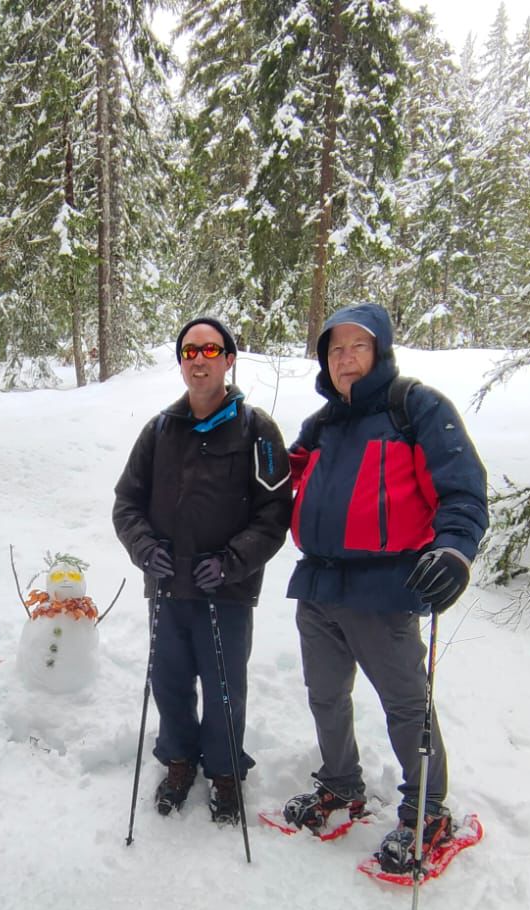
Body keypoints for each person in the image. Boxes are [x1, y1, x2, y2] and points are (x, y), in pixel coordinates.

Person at [282, 302, 488, 872]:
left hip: (386, 586)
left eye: (358, 346)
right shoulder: (323, 423)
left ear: (381, 351)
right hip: (319, 582)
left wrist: (453, 550)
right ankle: (341, 785)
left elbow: (463, 492)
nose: (346, 359)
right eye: (335, 348)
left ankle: (428, 810)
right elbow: (286, 478)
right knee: (325, 695)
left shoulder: (415, 408)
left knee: (404, 705)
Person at [113, 316, 292, 823]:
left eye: (211, 351)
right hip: (169, 587)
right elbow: (127, 503)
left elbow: (275, 512)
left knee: (223, 686)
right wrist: (145, 548)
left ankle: (225, 770)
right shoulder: (160, 430)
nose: (199, 359)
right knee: (169, 682)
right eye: (190, 350)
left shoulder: (258, 430)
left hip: (226, 590)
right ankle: (178, 759)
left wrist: (235, 560)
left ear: (229, 360)